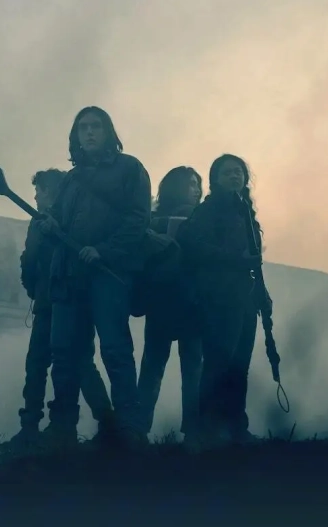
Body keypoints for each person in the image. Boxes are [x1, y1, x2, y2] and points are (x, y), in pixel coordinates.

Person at [38, 107, 151, 449]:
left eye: (96, 126)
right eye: (83, 127)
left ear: (108, 132)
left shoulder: (130, 169)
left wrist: (104, 250)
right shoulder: (71, 179)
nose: (89, 132)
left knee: (115, 350)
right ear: (75, 135)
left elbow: (138, 220)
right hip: (69, 275)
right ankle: (62, 428)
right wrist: (50, 226)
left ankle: (129, 429)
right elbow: (60, 224)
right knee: (65, 352)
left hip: (107, 275)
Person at [11, 168, 114, 446]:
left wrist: (33, 287)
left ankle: (34, 426)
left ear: (50, 192)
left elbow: (29, 259)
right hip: (74, 300)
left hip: (52, 301)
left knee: (39, 363)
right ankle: (107, 423)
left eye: (39, 191)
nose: (35, 197)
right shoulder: (76, 220)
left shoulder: (45, 223)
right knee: (80, 363)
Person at [176, 154, 271, 448]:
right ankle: (207, 430)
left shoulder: (245, 212)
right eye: (227, 172)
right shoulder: (207, 211)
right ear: (215, 179)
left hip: (244, 298)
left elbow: (254, 261)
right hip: (217, 298)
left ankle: (236, 429)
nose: (234, 176)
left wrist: (262, 295)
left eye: (238, 172)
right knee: (218, 364)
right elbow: (194, 246)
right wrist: (234, 260)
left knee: (239, 365)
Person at [137, 167, 203, 441]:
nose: (196, 190)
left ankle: (141, 430)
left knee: (163, 368)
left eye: (198, 184)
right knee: (183, 368)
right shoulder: (155, 221)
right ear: (176, 187)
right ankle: (190, 433)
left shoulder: (153, 220)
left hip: (177, 302)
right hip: (174, 301)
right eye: (191, 184)